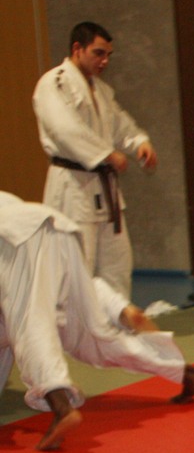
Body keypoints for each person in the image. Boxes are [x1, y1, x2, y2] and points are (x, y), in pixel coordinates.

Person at [0, 192, 194, 451]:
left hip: (17, 238)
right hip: (57, 229)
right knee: (91, 334)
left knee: (29, 322)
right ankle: (189, 374)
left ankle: (62, 408)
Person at [33, 21, 158, 302]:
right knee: (75, 266)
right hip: (72, 187)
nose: (104, 61)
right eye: (98, 53)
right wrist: (106, 155)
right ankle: (74, 328)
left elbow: (120, 124)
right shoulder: (54, 83)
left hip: (105, 190)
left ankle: (115, 323)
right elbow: (64, 130)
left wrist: (139, 142)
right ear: (77, 48)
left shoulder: (101, 90)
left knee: (118, 265)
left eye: (108, 55)